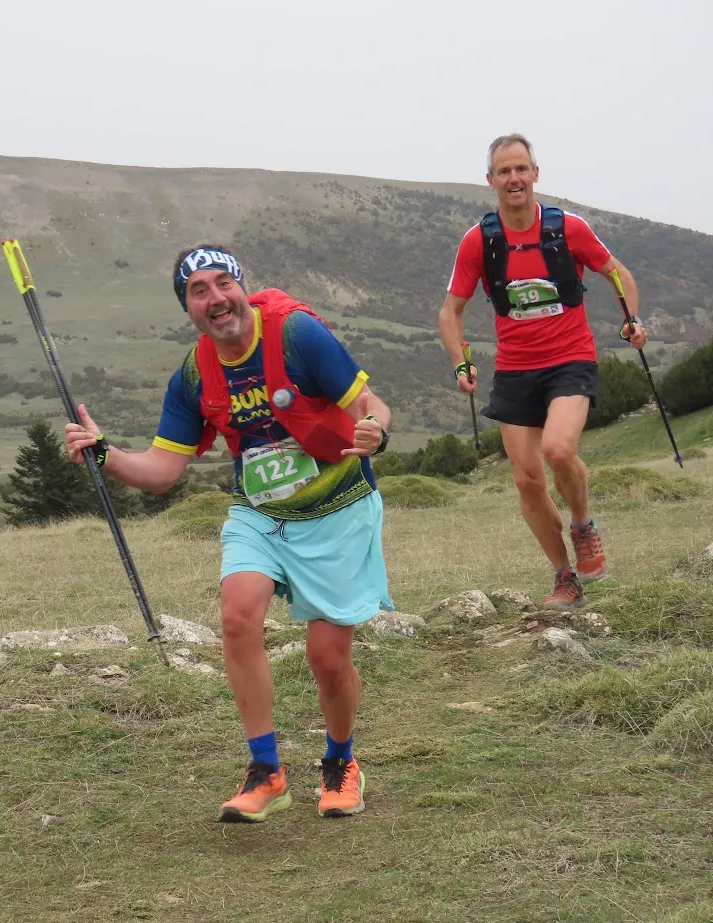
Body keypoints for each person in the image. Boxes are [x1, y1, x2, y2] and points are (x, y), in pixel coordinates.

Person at [64, 244, 394, 823]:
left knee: (327, 658)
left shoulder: (298, 337)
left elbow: (371, 403)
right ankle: (266, 771)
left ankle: (340, 762)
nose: (216, 299)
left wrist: (374, 430)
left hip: (339, 507)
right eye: (199, 291)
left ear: (243, 287)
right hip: (260, 515)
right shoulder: (193, 375)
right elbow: (163, 471)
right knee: (238, 614)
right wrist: (104, 454)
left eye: (224, 284)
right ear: (188, 308)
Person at [439, 133, 649, 609]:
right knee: (527, 480)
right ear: (490, 180)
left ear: (536, 173)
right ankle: (564, 577)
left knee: (558, 449)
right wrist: (462, 363)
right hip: (515, 369)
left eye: (521, 169)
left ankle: (582, 524)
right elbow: (451, 312)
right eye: (504, 171)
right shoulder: (480, 240)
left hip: (571, 358)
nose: (514, 178)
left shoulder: (567, 228)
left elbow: (617, 272)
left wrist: (631, 319)